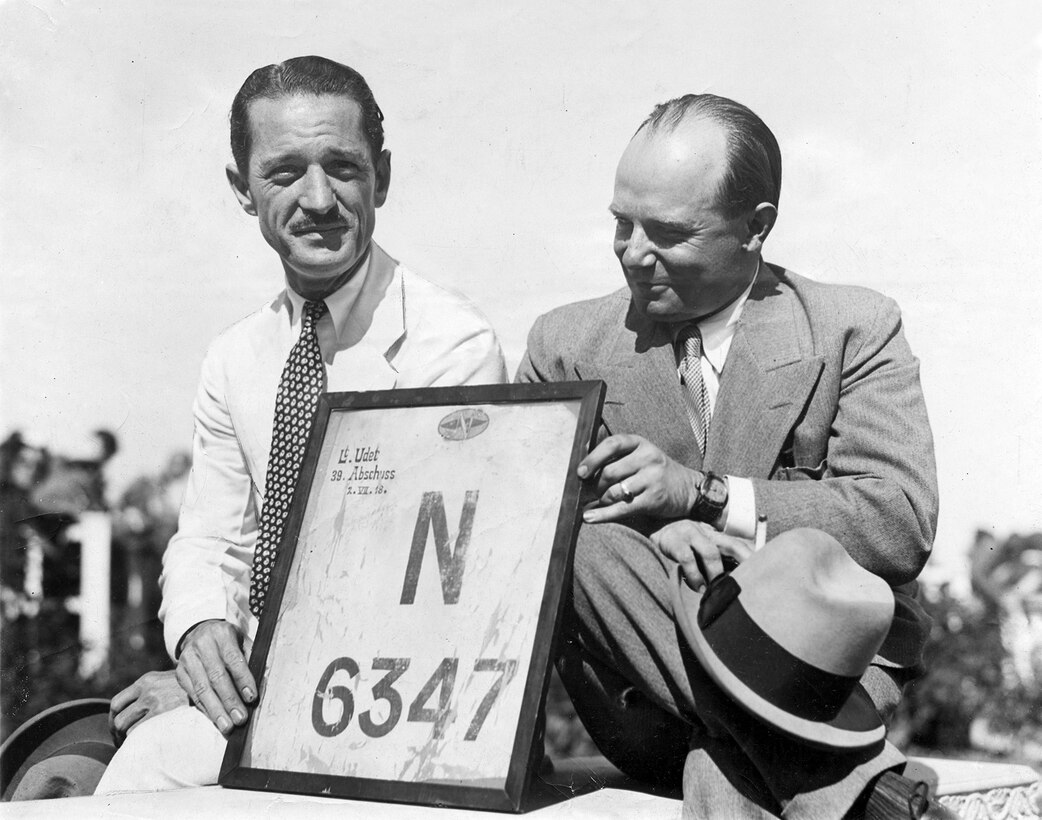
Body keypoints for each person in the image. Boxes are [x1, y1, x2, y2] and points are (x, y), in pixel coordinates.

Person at [516, 94, 953, 819]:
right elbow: (520, 532)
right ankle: (865, 791)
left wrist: (706, 497)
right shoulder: (562, 345)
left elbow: (899, 522)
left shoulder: (854, 328)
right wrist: (656, 535)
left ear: (757, 228)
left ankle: (799, 765)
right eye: (620, 224)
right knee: (583, 541)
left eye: (668, 232)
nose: (632, 252)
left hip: (824, 676)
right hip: (644, 687)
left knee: (725, 764)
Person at [95, 55, 506, 792]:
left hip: (404, 702)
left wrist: (237, 682)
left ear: (381, 173)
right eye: (285, 172)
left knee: (147, 767)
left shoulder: (452, 345)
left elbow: (429, 584)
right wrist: (200, 639)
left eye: (342, 167)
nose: (318, 198)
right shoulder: (236, 357)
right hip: (278, 689)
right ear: (243, 190)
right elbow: (210, 538)